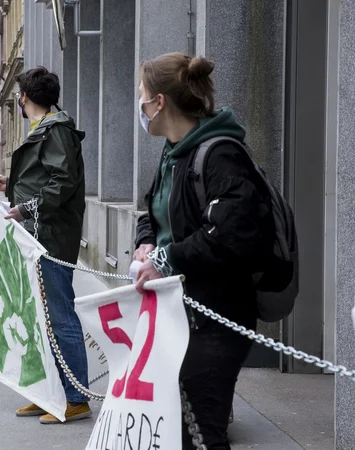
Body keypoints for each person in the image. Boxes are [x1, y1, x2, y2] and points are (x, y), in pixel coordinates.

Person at [132, 53, 274, 449]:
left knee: (201, 432)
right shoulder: (172, 152)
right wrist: (146, 242)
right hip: (179, 312)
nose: (139, 107)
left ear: (159, 102)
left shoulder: (220, 154)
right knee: (180, 426)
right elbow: (155, 213)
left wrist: (166, 258)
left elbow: (231, 235)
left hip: (215, 316)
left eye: (142, 96)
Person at [0, 67, 90, 425]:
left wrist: (25, 207)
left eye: (19, 96)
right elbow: (44, 179)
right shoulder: (45, 128)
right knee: (43, 318)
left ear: (25, 98)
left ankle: (75, 397)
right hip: (39, 234)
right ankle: (50, 392)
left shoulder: (55, 129)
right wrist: (10, 187)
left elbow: (63, 182)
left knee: (59, 317)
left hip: (50, 237)